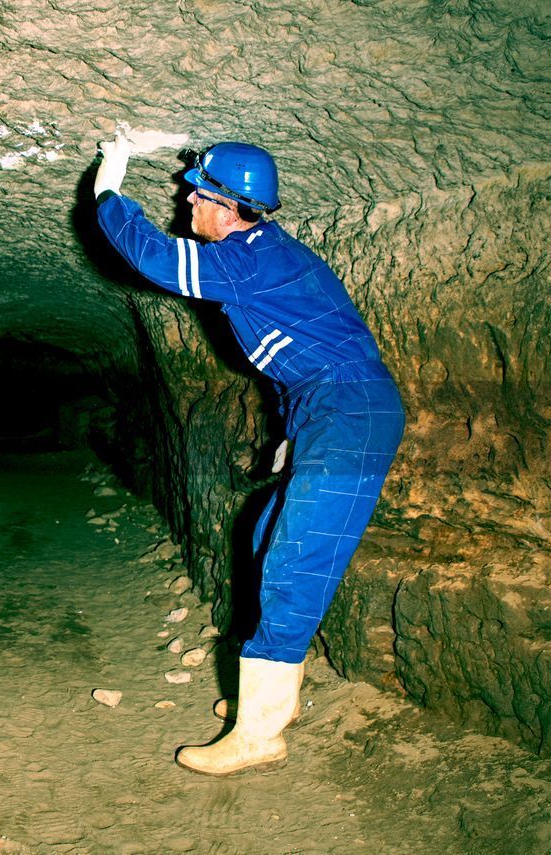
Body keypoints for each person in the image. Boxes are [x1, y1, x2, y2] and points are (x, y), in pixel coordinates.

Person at [93, 133, 405, 775]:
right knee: (267, 534)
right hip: (327, 407)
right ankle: (263, 698)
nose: (186, 205)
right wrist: (295, 429)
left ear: (227, 208)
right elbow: (305, 361)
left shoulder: (245, 260)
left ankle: (260, 733)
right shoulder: (259, 253)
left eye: (195, 196)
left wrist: (108, 185)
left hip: (351, 413)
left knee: (296, 554)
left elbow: (151, 255)